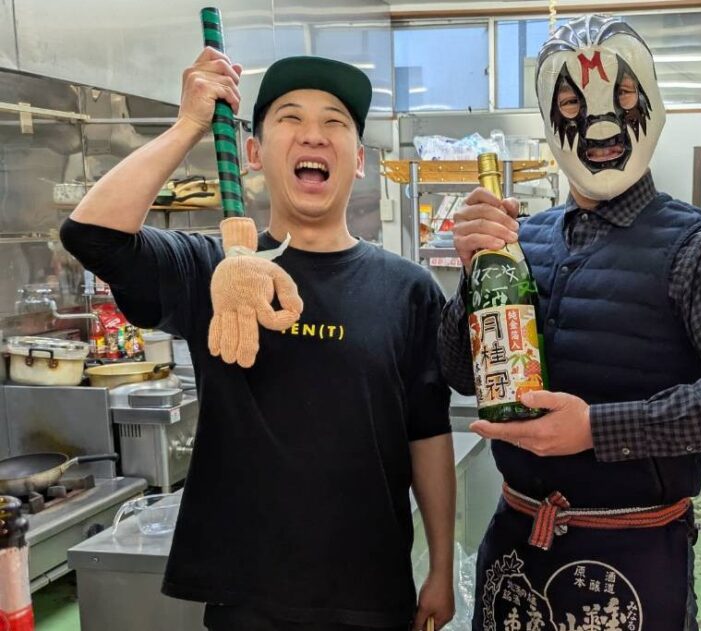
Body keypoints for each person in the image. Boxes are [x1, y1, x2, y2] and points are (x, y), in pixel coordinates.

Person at [61, 49, 456, 631]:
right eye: (290, 118)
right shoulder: (214, 269)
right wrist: (188, 125)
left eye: (334, 122)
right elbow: (90, 236)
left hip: (371, 592)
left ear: (359, 161)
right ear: (253, 152)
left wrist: (442, 566)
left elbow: (428, 433)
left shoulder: (408, 289)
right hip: (246, 597)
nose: (313, 135)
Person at [437, 15, 701, 630]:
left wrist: (598, 429)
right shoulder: (522, 241)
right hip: (516, 551)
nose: (601, 123)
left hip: (636, 557)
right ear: (549, 122)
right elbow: (460, 374)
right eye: (570, 104)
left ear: (652, 104)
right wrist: (473, 275)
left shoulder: (698, 247)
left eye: (624, 95)